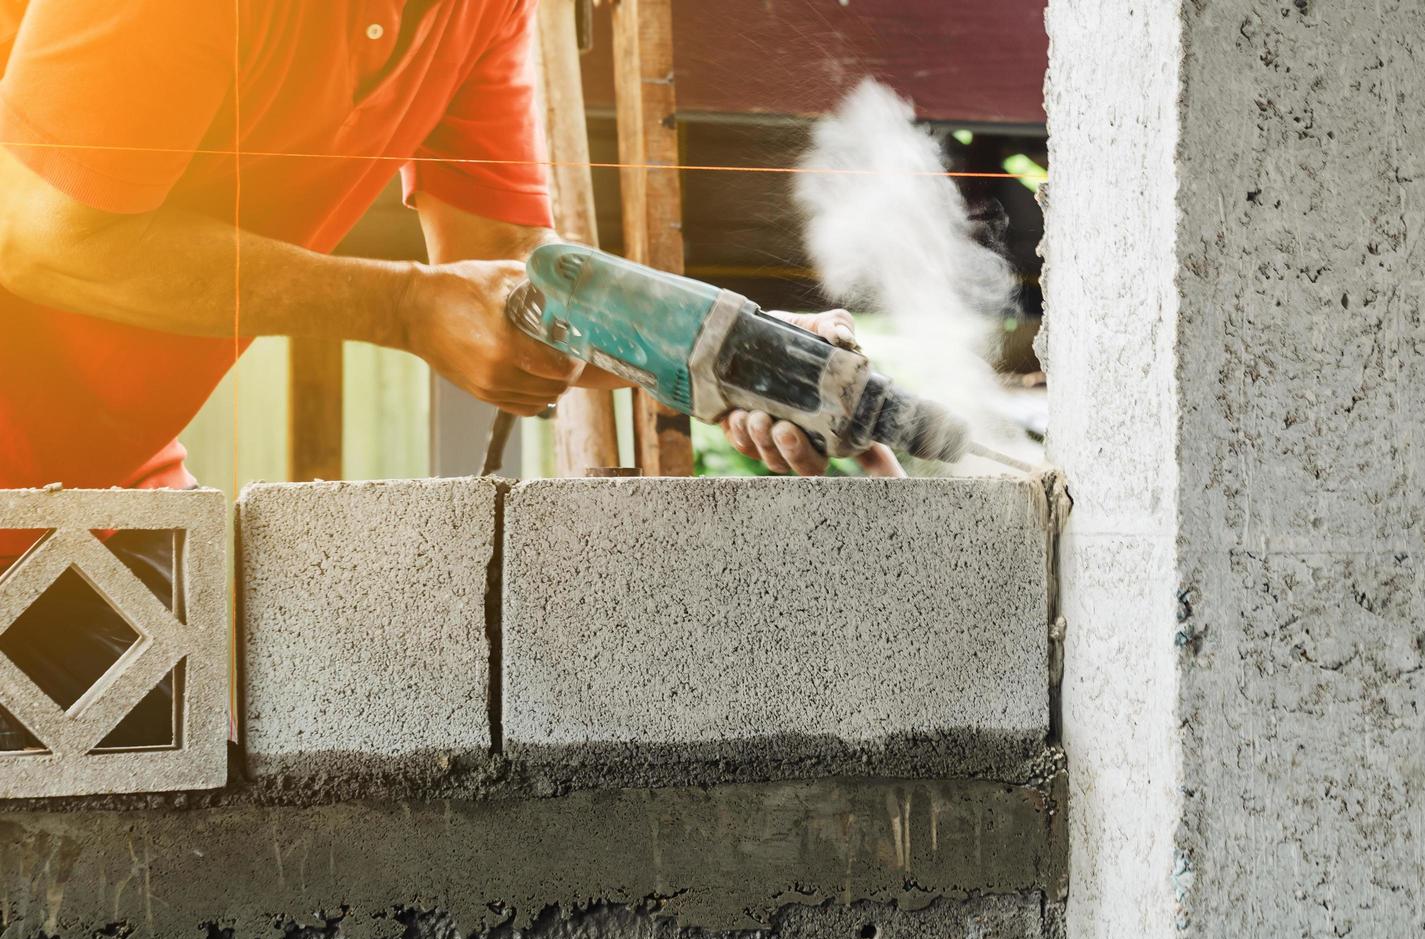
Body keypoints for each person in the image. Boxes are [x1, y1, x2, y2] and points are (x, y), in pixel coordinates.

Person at [0, 0, 899, 751]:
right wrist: (402, 308)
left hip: (98, 503)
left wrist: (720, 350)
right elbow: (40, 235)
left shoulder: (480, 8)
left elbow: (507, 272)